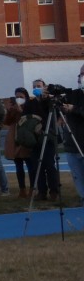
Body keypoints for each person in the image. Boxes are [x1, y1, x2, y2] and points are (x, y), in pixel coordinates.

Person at [24, 79, 61, 201]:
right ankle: (41, 191)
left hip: (49, 136)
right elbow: (25, 119)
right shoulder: (30, 103)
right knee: (36, 166)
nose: (36, 88)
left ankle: (54, 190)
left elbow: (58, 117)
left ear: (44, 87)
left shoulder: (50, 102)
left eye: (39, 86)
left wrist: (49, 128)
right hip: (35, 138)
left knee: (49, 164)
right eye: (34, 86)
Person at [59, 63, 84, 202]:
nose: (82, 77)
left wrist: (74, 109)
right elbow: (60, 103)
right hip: (73, 145)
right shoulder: (74, 94)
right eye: (81, 74)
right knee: (79, 180)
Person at [3, 88, 33, 198]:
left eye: (21, 97)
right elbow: (6, 122)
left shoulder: (29, 107)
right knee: (18, 166)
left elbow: (30, 121)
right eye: (17, 97)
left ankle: (32, 189)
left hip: (26, 138)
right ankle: (22, 189)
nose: (19, 99)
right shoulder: (14, 108)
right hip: (15, 139)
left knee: (30, 165)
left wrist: (21, 111)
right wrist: (10, 110)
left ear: (26, 97)